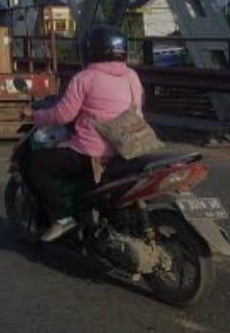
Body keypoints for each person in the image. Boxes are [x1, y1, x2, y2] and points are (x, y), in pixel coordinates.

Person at [22, 24, 144, 242]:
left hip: (92, 153)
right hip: (128, 149)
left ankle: (63, 217)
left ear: (90, 51)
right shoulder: (132, 76)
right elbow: (135, 109)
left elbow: (62, 115)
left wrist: (34, 115)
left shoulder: (85, 78)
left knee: (34, 163)